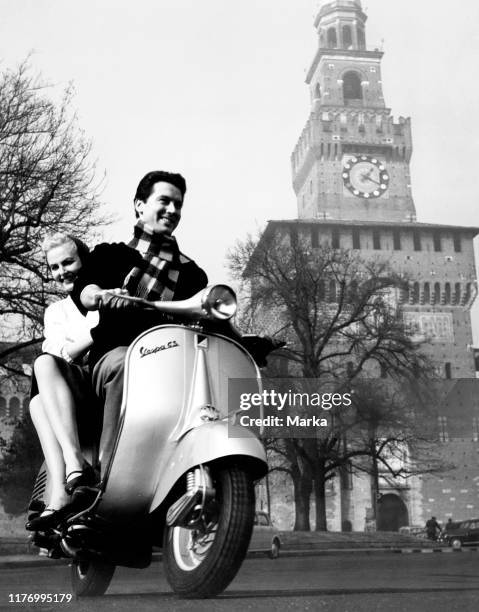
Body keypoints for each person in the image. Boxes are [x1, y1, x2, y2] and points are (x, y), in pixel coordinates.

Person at [72, 171, 208, 470]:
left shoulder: (193, 274)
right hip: (115, 357)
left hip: (171, 362)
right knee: (125, 362)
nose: (173, 210)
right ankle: (106, 473)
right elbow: (85, 290)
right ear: (139, 205)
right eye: (164, 201)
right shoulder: (111, 255)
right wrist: (101, 294)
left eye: (178, 204)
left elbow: (206, 314)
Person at [26, 234, 100, 531]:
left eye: (68, 261)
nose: (62, 271)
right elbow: (59, 354)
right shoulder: (55, 312)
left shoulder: (102, 297)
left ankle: (61, 493)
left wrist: (78, 346)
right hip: (73, 392)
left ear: (83, 259)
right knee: (38, 397)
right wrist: (95, 335)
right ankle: (68, 477)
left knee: (40, 388)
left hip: (102, 388)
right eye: (55, 267)